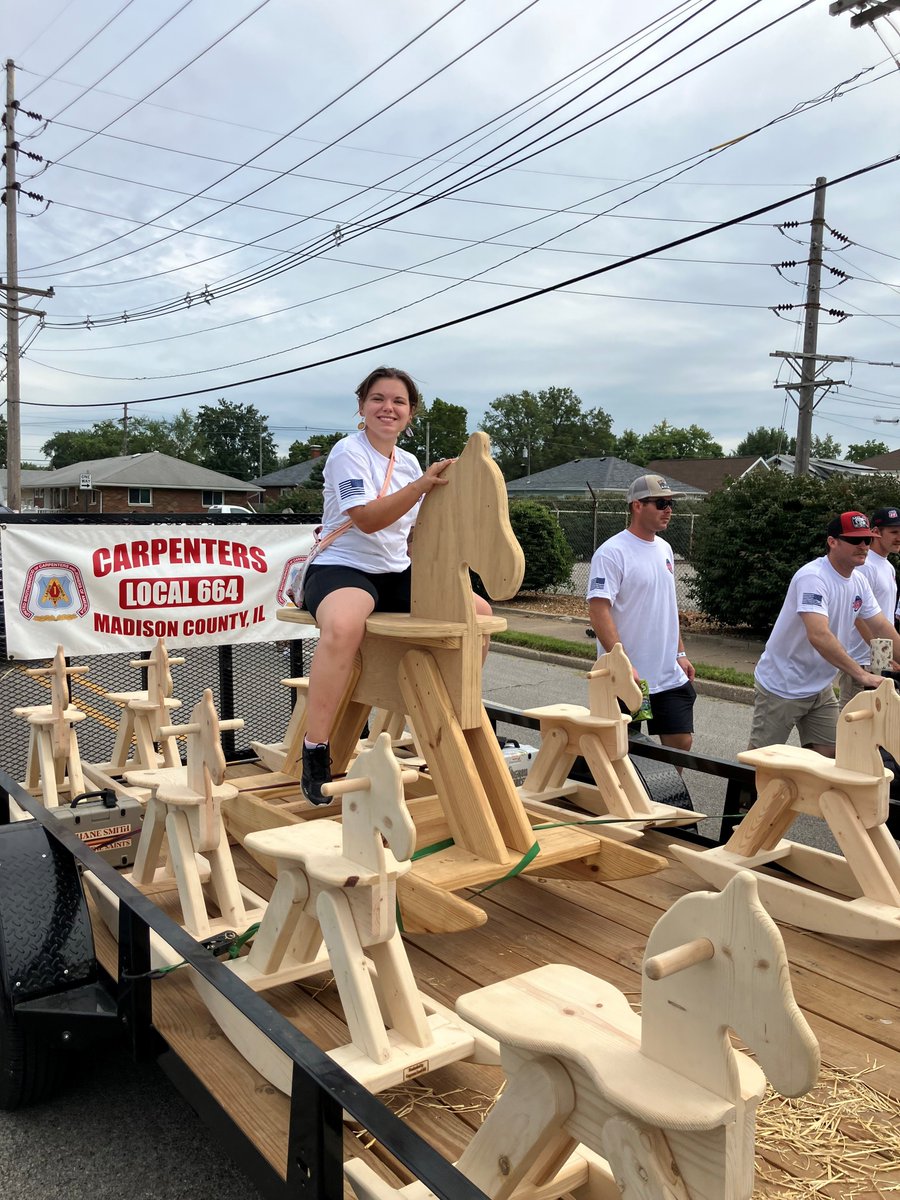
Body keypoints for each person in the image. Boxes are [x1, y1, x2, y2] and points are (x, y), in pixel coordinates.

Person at [299, 366, 492, 804]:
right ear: (362, 407)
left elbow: (415, 530)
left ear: (410, 413)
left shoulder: (407, 462)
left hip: (395, 569)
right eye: (378, 399)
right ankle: (316, 748)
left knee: (478, 615)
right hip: (344, 566)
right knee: (344, 627)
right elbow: (366, 520)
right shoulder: (348, 452)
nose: (388, 408)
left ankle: (453, 721)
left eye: (398, 402)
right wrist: (423, 485)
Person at [750, 510, 900, 756]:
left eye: (865, 539)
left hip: (819, 687)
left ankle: (804, 795)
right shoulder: (813, 577)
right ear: (832, 542)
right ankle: (744, 795)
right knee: (760, 760)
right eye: (854, 540)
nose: (863, 545)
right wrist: (860, 674)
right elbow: (818, 635)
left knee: (830, 756)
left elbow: (882, 626)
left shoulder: (858, 581)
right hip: (783, 685)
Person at [587, 474, 696, 752]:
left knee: (680, 743)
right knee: (623, 747)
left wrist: (680, 653)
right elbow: (599, 610)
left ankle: (664, 794)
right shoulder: (612, 552)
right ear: (637, 506)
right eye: (661, 503)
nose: (668, 510)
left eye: (671, 504)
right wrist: (623, 664)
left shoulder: (665, 549)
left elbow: (667, 606)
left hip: (667, 672)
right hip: (630, 676)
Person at [838, 506, 900, 706]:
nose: (899, 537)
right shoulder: (865, 566)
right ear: (875, 532)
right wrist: (881, 654)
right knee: (854, 725)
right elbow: (857, 615)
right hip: (862, 660)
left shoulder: (887, 566)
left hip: (880, 659)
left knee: (877, 728)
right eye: (893, 532)